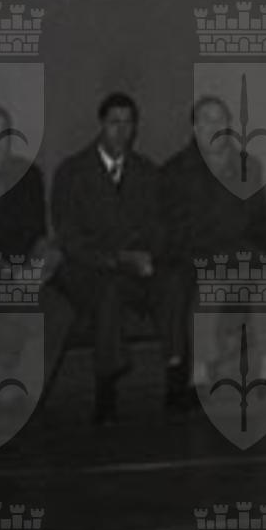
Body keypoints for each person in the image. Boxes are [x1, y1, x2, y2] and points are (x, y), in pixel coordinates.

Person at [47, 95, 166, 426]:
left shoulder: (147, 171)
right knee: (108, 291)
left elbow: (158, 227)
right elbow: (69, 237)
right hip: (84, 270)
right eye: (114, 122)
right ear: (100, 124)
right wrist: (116, 258)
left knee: (173, 282)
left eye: (128, 123)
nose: (122, 131)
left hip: (132, 271)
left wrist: (146, 254)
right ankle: (106, 387)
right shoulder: (72, 171)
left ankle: (179, 376)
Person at [158, 95, 266, 413]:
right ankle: (197, 377)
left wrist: (258, 252)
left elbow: (263, 219)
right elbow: (175, 229)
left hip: (241, 255)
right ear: (195, 128)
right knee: (204, 288)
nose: (215, 126)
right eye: (207, 120)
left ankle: (265, 375)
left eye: (221, 120)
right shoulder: (174, 172)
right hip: (194, 259)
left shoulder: (248, 166)